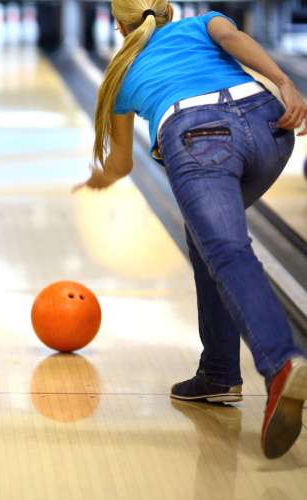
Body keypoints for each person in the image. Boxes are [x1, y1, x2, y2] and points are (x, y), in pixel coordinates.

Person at [75, 0, 307, 459]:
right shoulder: (203, 22)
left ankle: (282, 362)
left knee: (227, 249)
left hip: (201, 140)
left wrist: (100, 177)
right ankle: (219, 373)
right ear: (169, 11)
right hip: (268, 129)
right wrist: (285, 82)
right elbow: (235, 41)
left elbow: (121, 162)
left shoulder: (120, 73)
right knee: (206, 240)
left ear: (118, 26)